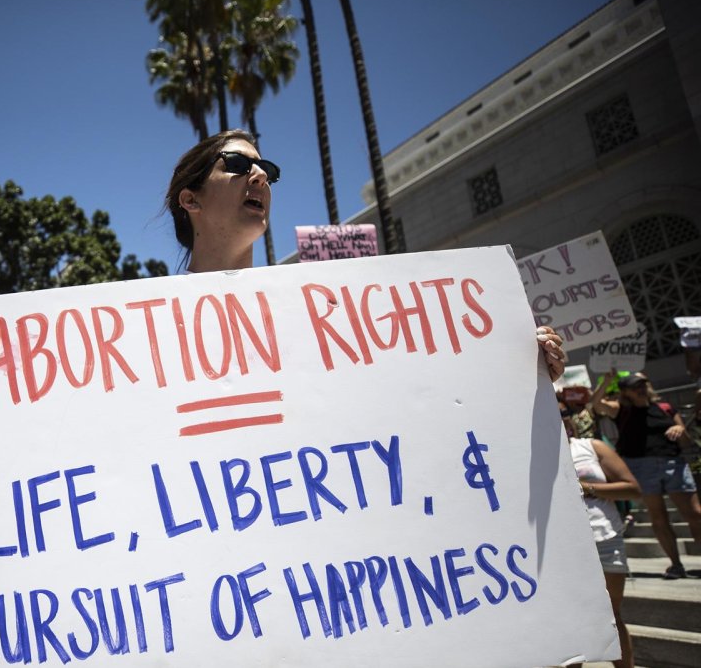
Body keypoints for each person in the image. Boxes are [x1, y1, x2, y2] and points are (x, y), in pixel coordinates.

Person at [161, 130, 568, 374]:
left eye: (269, 169)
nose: (263, 175)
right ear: (190, 200)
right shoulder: (154, 326)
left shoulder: (314, 311)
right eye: (236, 163)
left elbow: (405, 391)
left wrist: (513, 365)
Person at [594, 371, 701, 579]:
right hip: (641, 466)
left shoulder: (664, 407)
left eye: (643, 384)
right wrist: (607, 381)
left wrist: (680, 429)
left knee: (695, 514)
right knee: (658, 517)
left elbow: (686, 441)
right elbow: (596, 404)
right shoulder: (621, 410)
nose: (641, 389)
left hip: (673, 464)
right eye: (635, 386)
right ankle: (676, 564)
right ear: (626, 392)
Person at [561, 401, 641, 668]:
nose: (559, 419)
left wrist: (587, 488)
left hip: (604, 539)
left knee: (611, 616)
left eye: (562, 413)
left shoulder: (591, 447)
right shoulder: (529, 455)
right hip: (561, 548)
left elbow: (632, 488)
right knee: (570, 621)